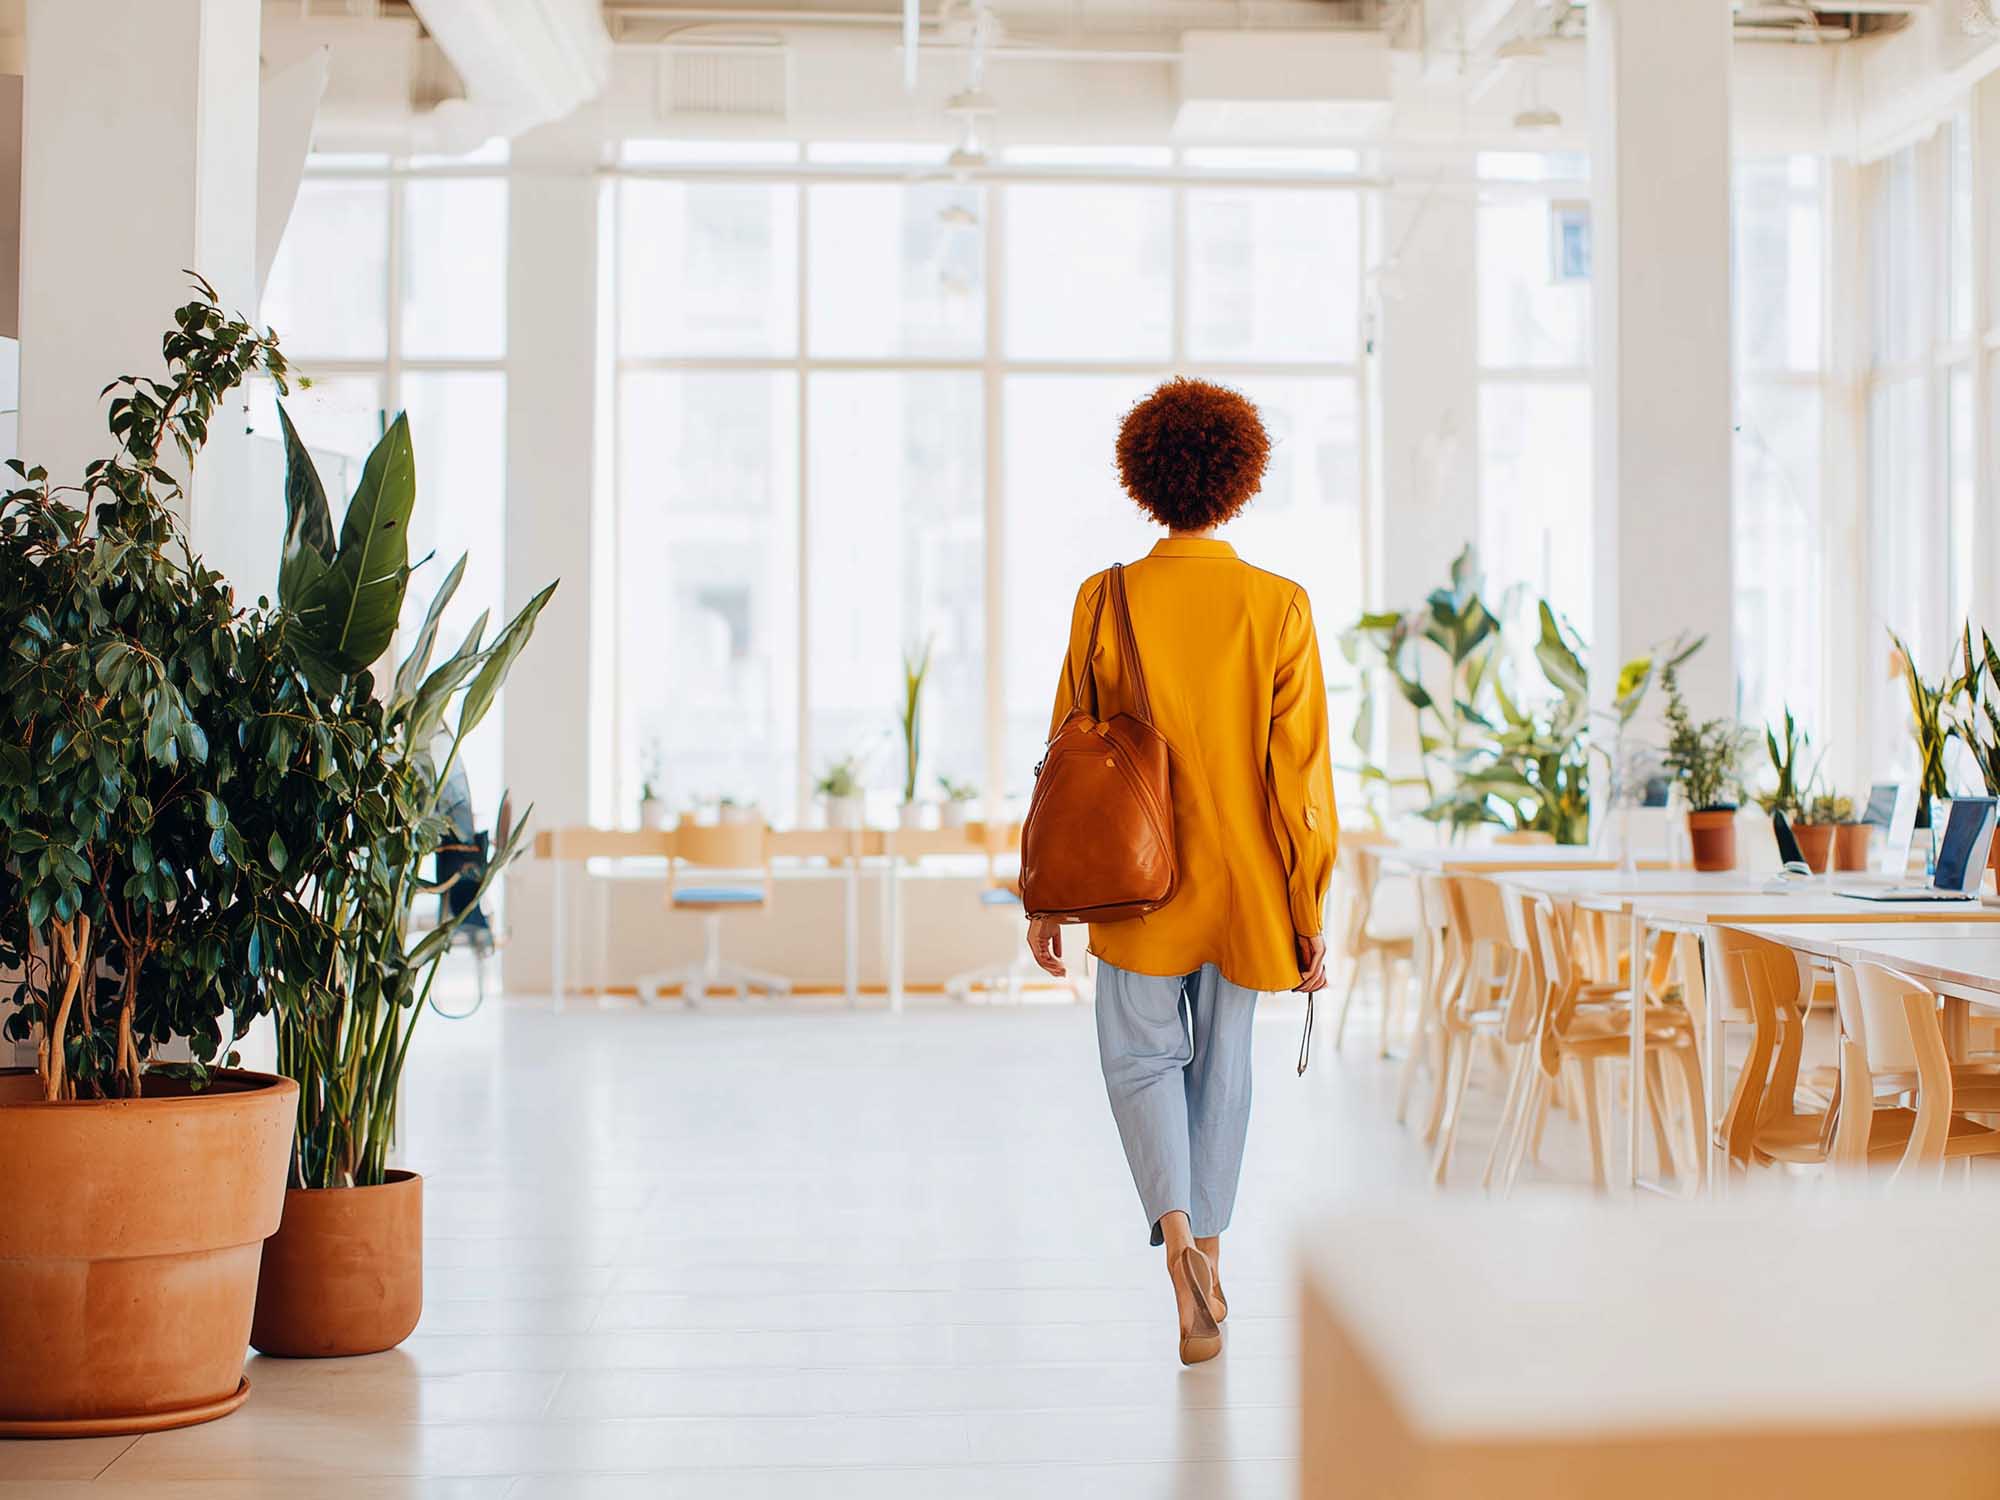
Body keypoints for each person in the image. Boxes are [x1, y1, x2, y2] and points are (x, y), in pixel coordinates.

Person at [1026, 377, 1337, 1366]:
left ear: (1143, 479)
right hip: (1246, 887)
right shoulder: (1277, 605)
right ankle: (1210, 1249)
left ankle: (1172, 1246)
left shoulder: (1104, 596)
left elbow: (1065, 755)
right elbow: (1301, 783)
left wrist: (1041, 893)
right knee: (1225, 1071)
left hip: (1132, 879)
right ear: (1237, 484)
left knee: (1137, 1060)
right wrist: (1306, 904)